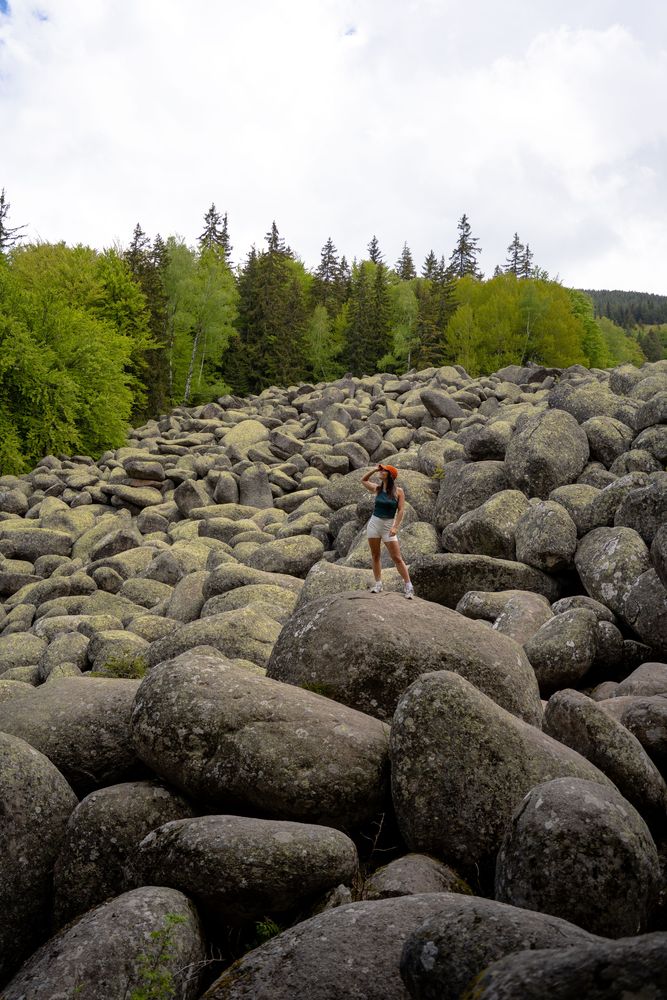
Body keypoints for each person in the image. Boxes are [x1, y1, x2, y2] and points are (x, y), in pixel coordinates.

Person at [361, 464, 414, 598]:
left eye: (384, 470)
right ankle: (378, 584)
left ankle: (409, 586)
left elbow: (401, 510)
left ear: (390, 475)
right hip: (374, 525)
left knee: (397, 558)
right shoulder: (377, 489)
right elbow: (363, 480)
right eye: (381, 470)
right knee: (375, 555)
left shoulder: (399, 491)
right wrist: (375, 469)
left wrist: (395, 527)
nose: (381, 472)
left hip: (388, 527)